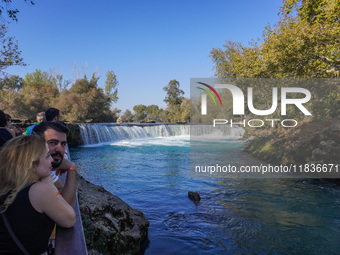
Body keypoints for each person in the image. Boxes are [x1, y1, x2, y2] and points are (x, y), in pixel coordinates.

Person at [0, 135, 75, 254]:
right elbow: (69, 219)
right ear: (32, 164)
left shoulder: (6, 186)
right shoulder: (38, 190)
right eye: (47, 156)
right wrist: (49, 182)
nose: (51, 160)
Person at [33, 122, 77, 206]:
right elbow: (66, 212)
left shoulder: (45, 167)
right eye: (52, 142)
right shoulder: (27, 176)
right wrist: (72, 169)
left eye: (63, 144)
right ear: (36, 143)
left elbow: (61, 191)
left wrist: (72, 167)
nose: (59, 149)